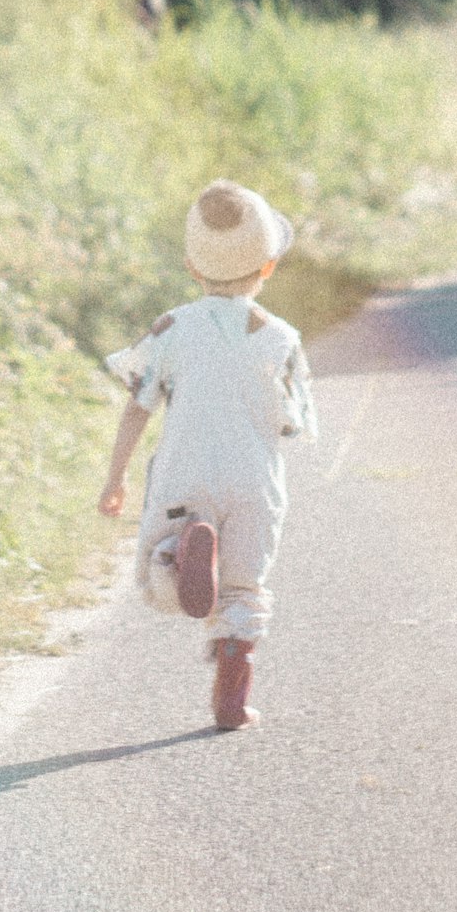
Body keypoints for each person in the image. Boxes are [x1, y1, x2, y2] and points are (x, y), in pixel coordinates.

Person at [99, 178, 318, 729]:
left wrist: (116, 478)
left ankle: (181, 556)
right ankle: (233, 683)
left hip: (185, 472)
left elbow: (138, 407)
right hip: (253, 480)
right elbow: (292, 423)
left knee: (156, 579)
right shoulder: (283, 338)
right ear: (268, 267)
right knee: (245, 588)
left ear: (193, 269)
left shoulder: (173, 328)